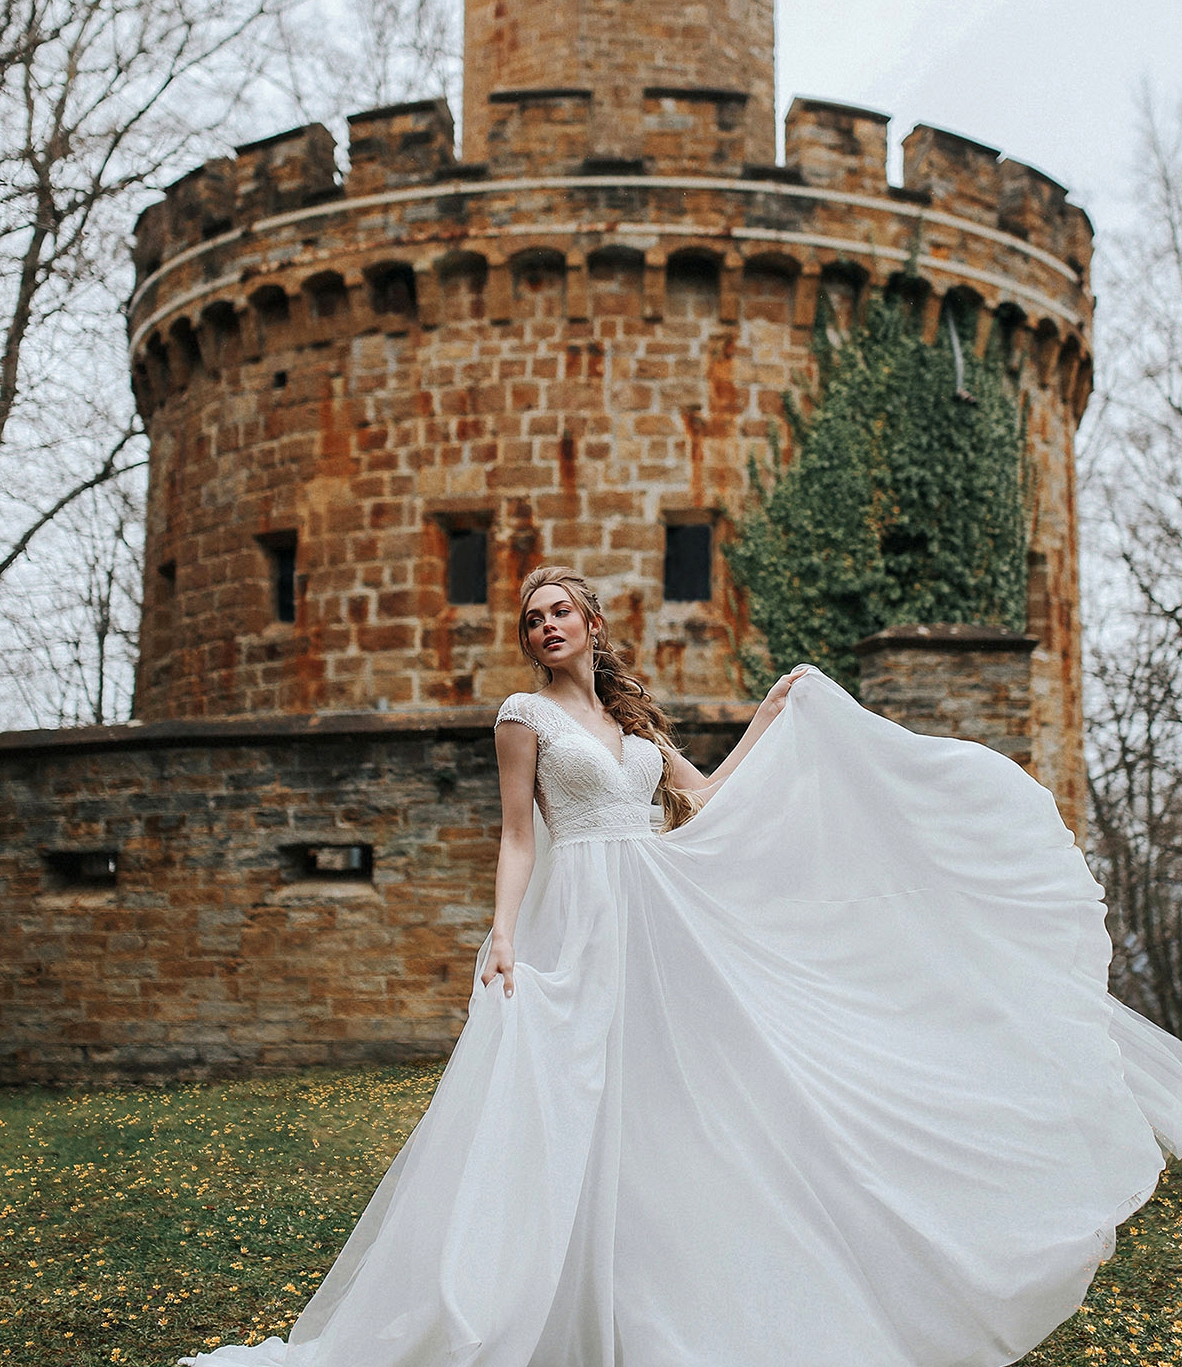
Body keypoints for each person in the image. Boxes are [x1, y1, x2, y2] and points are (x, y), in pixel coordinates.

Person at [182, 564, 1182, 1367]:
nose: (546, 627)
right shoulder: (521, 720)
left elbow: (701, 801)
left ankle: (655, 1290)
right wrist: (505, 936)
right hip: (579, 911)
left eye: (560, 610)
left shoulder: (634, 725)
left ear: (591, 623)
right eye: (532, 617)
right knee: (567, 1102)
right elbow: (519, 839)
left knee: (673, 1102)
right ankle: (526, 1293)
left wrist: (771, 720)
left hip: (656, 911)